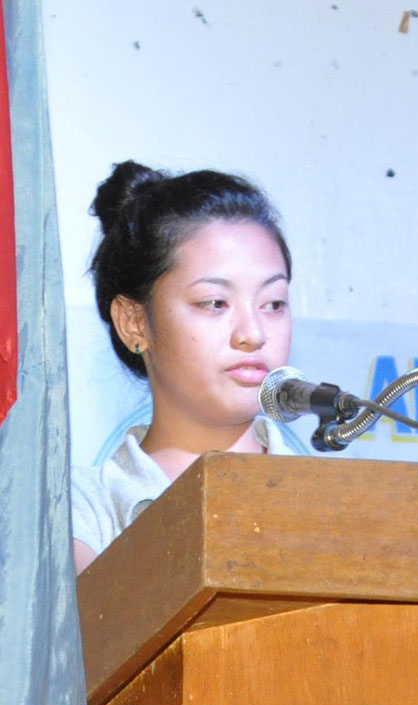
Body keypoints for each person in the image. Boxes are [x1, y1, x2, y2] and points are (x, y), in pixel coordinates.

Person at [71, 161, 296, 573]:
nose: (254, 333)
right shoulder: (81, 510)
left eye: (273, 304)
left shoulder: (331, 496)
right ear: (134, 322)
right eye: (215, 303)